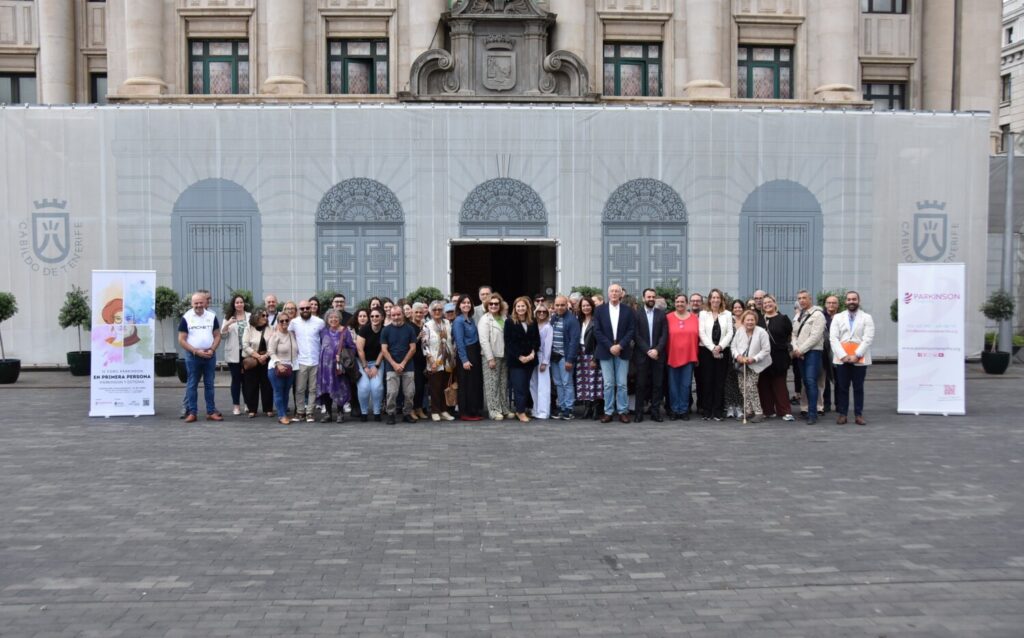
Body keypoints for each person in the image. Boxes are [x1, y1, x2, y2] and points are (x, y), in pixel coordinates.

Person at [829, 291, 875, 426]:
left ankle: (858, 415)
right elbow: (833, 338)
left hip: (859, 359)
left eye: (854, 299)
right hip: (842, 358)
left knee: (858, 387)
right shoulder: (837, 317)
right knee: (842, 387)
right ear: (845, 302)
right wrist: (843, 355)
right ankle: (842, 414)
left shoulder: (867, 317)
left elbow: (868, 338)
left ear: (858, 301)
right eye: (849, 299)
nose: (851, 302)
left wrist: (857, 355)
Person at [594, 283, 636, 423]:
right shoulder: (599, 310)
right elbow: (597, 331)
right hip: (606, 350)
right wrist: (610, 346)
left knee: (622, 384)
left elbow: (631, 330)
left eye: (616, 291)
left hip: (622, 351)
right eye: (611, 291)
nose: (614, 293)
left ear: (621, 294)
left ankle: (623, 411)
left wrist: (620, 345)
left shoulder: (628, 310)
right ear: (608, 293)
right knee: (608, 384)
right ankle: (608, 411)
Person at [178, 291, 222, 423]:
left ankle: (210, 412)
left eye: (200, 303)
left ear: (205, 303)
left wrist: (212, 349)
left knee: (209, 385)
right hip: (193, 356)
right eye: (195, 303)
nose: (198, 305)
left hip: (209, 355)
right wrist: (196, 351)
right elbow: (181, 339)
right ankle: (192, 412)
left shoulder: (211, 316)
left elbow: (217, 335)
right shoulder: (186, 317)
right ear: (192, 304)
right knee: (192, 384)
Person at [757, 294, 795, 422]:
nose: (767, 304)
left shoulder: (783, 318)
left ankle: (785, 411)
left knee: (780, 384)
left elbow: (790, 335)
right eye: (765, 303)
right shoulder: (759, 320)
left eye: (770, 302)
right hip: (762, 356)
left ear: (775, 303)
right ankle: (768, 410)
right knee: (764, 384)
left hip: (779, 356)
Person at [698, 288, 733, 421]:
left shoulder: (727, 314)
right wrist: (712, 347)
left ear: (721, 300)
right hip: (706, 351)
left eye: (718, 297)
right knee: (707, 381)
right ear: (709, 299)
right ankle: (707, 411)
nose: (715, 300)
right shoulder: (703, 314)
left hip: (722, 351)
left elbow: (730, 332)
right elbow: (701, 332)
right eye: (713, 297)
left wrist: (720, 347)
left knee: (719, 382)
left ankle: (717, 411)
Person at [791, 290, 826, 425]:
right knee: (806, 381)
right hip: (799, 353)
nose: (802, 300)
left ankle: (813, 413)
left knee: (811, 381)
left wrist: (801, 350)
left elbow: (815, 336)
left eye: (804, 298)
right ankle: (808, 411)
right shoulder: (799, 315)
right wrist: (795, 348)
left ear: (810, 299)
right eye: (799, 298)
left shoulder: (818, 315)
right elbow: (793, 334)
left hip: (813, 352)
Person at [633, 288, 667, 422]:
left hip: (658, 355)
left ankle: (655, 412)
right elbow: (636, 335)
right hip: (642, 355)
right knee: (641, 385)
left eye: (653, 297)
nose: (651, 299)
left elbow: (664, 335)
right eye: (648, 297)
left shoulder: (661, 314)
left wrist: (657, 350)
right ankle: (639, 413)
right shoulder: (637, 314)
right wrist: (648, 350)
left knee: (657, 385)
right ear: (643, 298)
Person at [316, 308, 356, 423]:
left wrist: (343, 356)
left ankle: (340, 413)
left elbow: (352, 348)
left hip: (339, 367)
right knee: (326, 390)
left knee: (339, 389)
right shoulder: (323, 331)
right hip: (325, 367)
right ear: (327, 319)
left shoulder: (345, 331)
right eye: (331, 317)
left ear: (340, 319)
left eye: (336, 317)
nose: (333, 319)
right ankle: (328, 414)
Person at [380, 305, 419, 424]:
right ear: (390, 316)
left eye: (398, 314)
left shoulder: (409, 329)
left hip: (408, 365)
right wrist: (394, 364)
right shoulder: (386, 330)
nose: (396, 317)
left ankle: (407, 413)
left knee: (410, 392)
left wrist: (402, 363)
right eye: (393, 315)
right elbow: (384, 350)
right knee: (392, 392)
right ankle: (391, 413)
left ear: (402, 314)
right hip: (391, 366)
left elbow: (413, 348)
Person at [505, 296, 540, 423]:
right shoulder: (509, 322)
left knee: (525, 387)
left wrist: (532, 353)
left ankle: (521, 409)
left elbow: (537, 340)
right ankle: (520, 412)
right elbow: (509, 342)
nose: (520, 308)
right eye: (518, 306)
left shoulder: (532, 321)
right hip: (516, 361)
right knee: (519, 387)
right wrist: (520, 356)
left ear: (527, 307)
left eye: (523, 306)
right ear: (515, 308)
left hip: (530, 360)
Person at [732, 309, 772, 423]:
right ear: (743, 321)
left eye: (752, 320)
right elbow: (733, 347)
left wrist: (754, 358)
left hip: (756, 364)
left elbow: (766, 350)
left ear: (756, 321)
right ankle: (748, 411)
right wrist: (737, 356)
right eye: (747, 320)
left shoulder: (761, 332)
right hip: (741, 363)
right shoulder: (740, 331)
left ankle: (759, 412)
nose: (750, 322)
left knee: (751, 386)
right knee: (742, 387)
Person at [289, 299, 325, 423]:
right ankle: (300, 412)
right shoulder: (294, 322)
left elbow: (324, 339)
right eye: (302, 308)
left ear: (311, 308)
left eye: (307, 308)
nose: (305, 310)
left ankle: (310, 412)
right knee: (299, 389)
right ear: (299, 310)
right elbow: (288, 336)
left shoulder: (320, 322)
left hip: (316, 360)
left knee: (313, 389)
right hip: (300, 361)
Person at [421, 301, 456, 421]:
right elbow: (424, 345)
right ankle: (435, 411)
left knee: (445, 386)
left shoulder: (447, 323)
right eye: (435, 310)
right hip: (435, 360)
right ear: (430, 312)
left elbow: (451, 340)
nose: (437, 312)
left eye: (440, 310)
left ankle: (444, 410)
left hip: (448, 360)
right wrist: (431, 361)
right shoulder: (427, 325)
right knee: (435, 387)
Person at [478, 293, 512, 420]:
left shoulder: (504, 317)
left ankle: (504, 408)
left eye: (496, 304)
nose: (493, 306)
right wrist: (490, 358)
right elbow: (483, 340)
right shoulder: (485, 319)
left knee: (503, 384)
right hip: (492, 356)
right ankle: (493, 410)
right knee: (492, 384)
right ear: (487, 305)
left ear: (500, 305)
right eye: (491, 304)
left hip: (504, 355)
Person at [666, 294, 699, 421]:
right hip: (672, 356)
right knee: (673, 385)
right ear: (675, 303)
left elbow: (698, 338)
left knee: (686, 385)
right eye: (677, 301)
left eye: (682, 301)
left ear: (687, 303)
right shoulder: (668, 318)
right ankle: (674, 409)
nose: (680, 304)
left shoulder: (694, 318)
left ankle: (684, 410)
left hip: (689, 356)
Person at [452, 294, 485, 421]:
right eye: (463, 303)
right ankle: (465, 412)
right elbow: (459, 342)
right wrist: (464, 360)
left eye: (468, 303)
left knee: (474, 384)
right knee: (466, 384)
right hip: (466, 354)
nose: (466, 305)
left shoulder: (470, 319)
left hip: (475, 352)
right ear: (459, 305)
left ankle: (474, 410)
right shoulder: (458, 321)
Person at [549, 295, 581, 420]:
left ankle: (569, 408)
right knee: (558, 383)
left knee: (567, 383)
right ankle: (562, 407)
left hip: (565, 357)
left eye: (562, 305)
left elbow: (574, 341)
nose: (560, 307)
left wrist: (570, 359)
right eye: (557, 305)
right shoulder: (553, 318)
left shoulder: (572, 320)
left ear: (567, 305)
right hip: (554, 357)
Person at [220, 294, 250, 416]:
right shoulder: (228, 317)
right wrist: (227, 324)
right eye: (237, 302)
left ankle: (248, 404)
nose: (239, 304)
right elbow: (223, 336)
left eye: (241, 302)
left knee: (247, 380)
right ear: (233, 304)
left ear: (244, 304)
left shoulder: (249, 316)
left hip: (247, 352)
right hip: (234, 353)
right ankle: (236, 406)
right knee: (236, 380)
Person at [267, 312, 298, 425]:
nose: (284, 322)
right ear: (278, 322)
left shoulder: (291, 334)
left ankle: (284, 412)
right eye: (281, 321)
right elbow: (270, 351)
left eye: (286, 320)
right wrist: (278, 363)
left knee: (286, 392)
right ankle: (281, 415)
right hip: (277, 368)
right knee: (279, 391)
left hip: (290, 368)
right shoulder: (275, 336)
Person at [241, 309, 273, 418]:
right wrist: (258, 356)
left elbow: (273, 345)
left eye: (267, 315)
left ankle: (268, 408)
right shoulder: (248, 329)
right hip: (252, 360)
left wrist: (265, 356)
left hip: (266, 360)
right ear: (256, 317)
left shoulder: (271, 328)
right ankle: (252, 409)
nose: (266, 317)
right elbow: (245, 345)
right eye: (263, 315)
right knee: (251, 385)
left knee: (267, 385)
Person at [356, 308, 385, 421]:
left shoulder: (385, 330)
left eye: (377, 316)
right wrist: (365, 367)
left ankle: (377, 412)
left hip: (378, 361)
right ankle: (364, 412)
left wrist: (376, 366)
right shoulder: (364, 330)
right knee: (364, 387)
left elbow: (384, 350)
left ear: (382, 317)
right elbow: (360, 349)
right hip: (362, 361)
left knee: (377, 387)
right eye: (372, 316)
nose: (374, 318)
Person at [530, 303, 553, 420]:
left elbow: (548, 346)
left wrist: (545, 361)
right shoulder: (533, 325)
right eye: (539, 312)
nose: (542, 313)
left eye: (544, 311)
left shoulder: (548, 327)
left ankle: (544, 411)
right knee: (533, 384)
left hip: (542, 357)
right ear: (536, 313)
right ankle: (535, 409)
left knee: (543, 386)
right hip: (532, 357)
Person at [723, 299, 746, 419]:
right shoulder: (729, 320)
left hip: (743, 355)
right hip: (729, 354)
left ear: (743, 308)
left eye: (739, 307)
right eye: (735, 307)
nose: (737, 309)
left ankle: (739, 406)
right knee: (729, 381)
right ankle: (730, 406)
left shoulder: (747, 320)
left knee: (740, 382)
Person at [409, 302, 429, 420]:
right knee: (414, 387)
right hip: (413, 361)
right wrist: (418, 338)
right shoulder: (409, 326)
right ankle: (412, 409)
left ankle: (419, 408)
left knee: (422, 387)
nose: (418, 314)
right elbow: (408, 345)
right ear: (412, 313)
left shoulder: (425, 325)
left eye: (420, 312)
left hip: (424, 360)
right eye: (416, 312)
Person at [822, 294, 840, 413]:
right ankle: (826, 404)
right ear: (825, 304)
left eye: (834, 303)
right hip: (824, 351)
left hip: (838, 352)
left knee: (840, 380)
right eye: (829, 303)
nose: (831, 305)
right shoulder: (821, 317)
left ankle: (839, 404)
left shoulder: (842, 317)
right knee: (826, 379)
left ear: (838, 305)